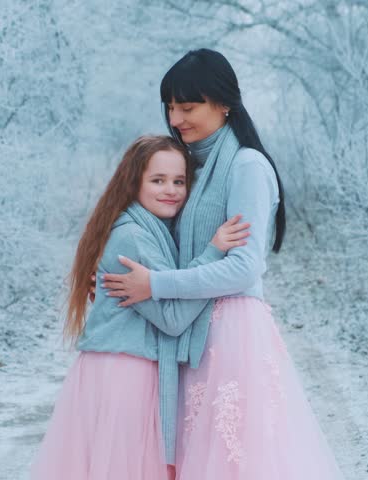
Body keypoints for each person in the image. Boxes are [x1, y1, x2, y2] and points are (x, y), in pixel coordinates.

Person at [101, 49, 345, 479]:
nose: (176, 119)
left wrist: (155, 284)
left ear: (224, 103)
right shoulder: (191, 164)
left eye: (187, 107)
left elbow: (244, 269)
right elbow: (153, 232)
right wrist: (106, 269)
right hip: (189, 331)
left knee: (233, 461)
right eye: (171, 107)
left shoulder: (246, 166)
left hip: (230, 334)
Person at [30, 135, 250, 480]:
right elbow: (173, 319)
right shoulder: (134, 236)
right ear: (134, 183)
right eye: (158, 180)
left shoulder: (150, 230)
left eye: (179, 181)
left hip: (119, 368)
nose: (171, 190)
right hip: (123, 375)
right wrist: (213, 255)